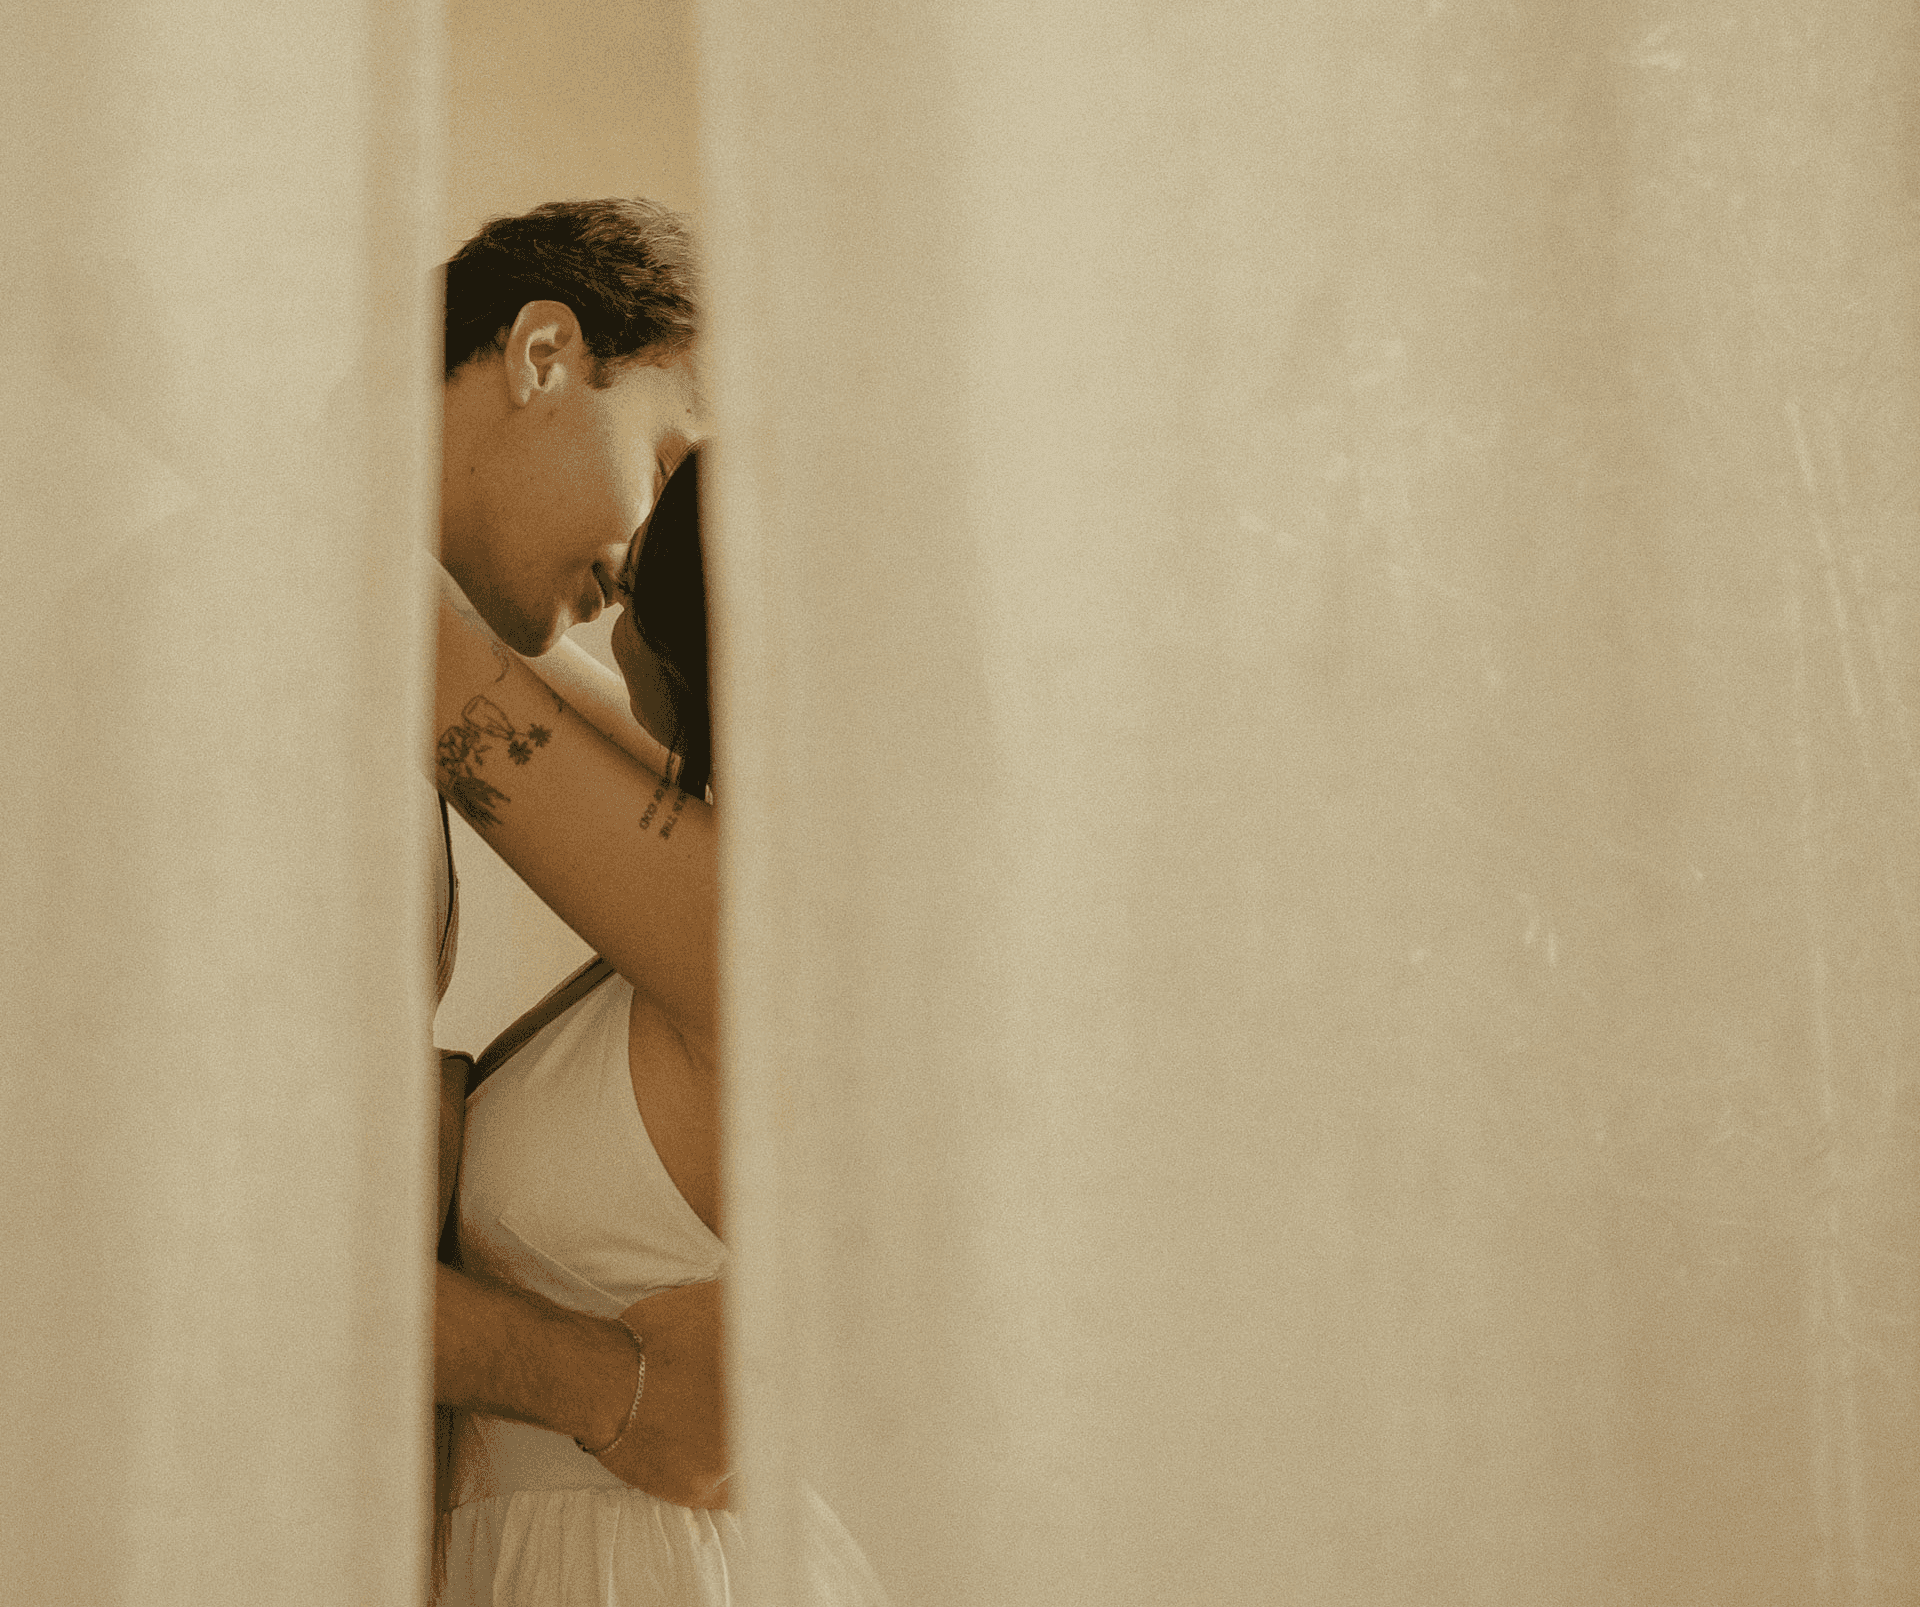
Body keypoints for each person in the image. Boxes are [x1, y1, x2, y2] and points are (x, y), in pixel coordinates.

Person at [426, 202, 884, 1603]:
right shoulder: (745, 870)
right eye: (677, 458)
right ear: (543, 354)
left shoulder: (755, 920)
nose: (661, 535)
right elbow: (551, 695)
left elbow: (426, 652)